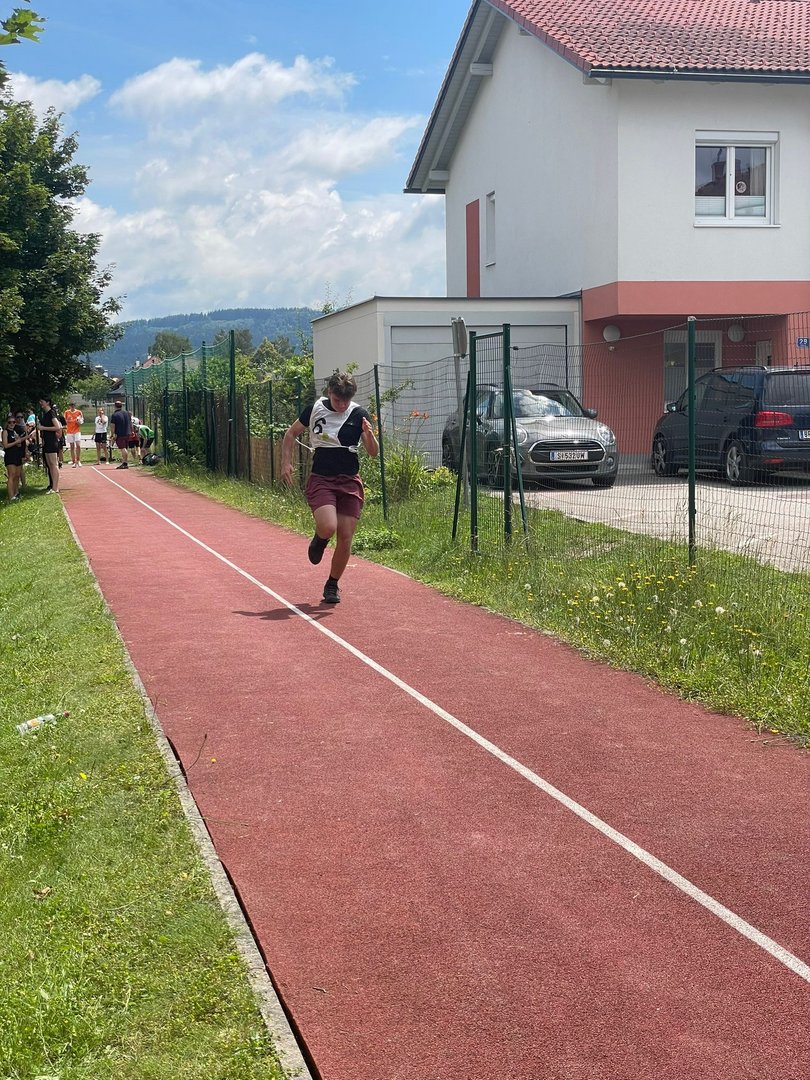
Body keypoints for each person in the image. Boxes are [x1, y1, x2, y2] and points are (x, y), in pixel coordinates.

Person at [281, 371, 379, 604]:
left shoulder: (359, 414)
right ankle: (320, 539)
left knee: (345, 536)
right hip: (322, 478)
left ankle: (332, 584)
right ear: (329, 393)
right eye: (337, 400)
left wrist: (369, 435)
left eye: (346, 400)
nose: (342, 405)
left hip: (349, 480)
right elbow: (291, 434)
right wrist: (286, 462)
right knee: (328, 526)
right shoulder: (315, 409)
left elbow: (373, 453)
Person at [38, 396, 62, 493]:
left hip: (52, 441)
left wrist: (43, 428)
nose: (40, 403)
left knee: (54, 464)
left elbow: (57, 427)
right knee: (50, 465)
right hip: (47, 441)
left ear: (47, 402)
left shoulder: (51, 413)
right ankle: (53, 486)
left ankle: (56, 487)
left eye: (42, 401)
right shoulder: (45, 414)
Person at [2, 414, 28, 501]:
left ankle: (16, 492)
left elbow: (19, 444)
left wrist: (19, 441)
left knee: (17, 475)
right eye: (10, 422)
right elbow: (5, 445)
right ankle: (11, 496)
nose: (12, 424)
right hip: (10, 455)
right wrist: (16, 442)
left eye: (14, 422)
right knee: (12, 475)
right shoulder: (5, 432)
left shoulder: (14, 432)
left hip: (17, 454)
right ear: (7, 423)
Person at [108, 400, 132, 469]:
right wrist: (131, 430)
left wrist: (113, 434)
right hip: (127, 433)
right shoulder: (127, 413)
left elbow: (112, 425)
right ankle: (124, 462)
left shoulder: (114, 415)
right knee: (125, 448)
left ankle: (125, 463)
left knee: (123, 448)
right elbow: (130, 423)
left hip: (120, 434)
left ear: (115, 406)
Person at [64, 401, 84, 467]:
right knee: (72, 446)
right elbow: (65, 421)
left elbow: (81, 421)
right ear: (69, 406)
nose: (72, 406)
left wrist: (78, 421)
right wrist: (68, 420)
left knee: (78, 445)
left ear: (75, 405)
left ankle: (78, 460)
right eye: (71, 405)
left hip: (76, 431)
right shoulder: (67, 412)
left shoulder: (79, 412)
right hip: (69, 431)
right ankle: (73, 461)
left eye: (73, 405)